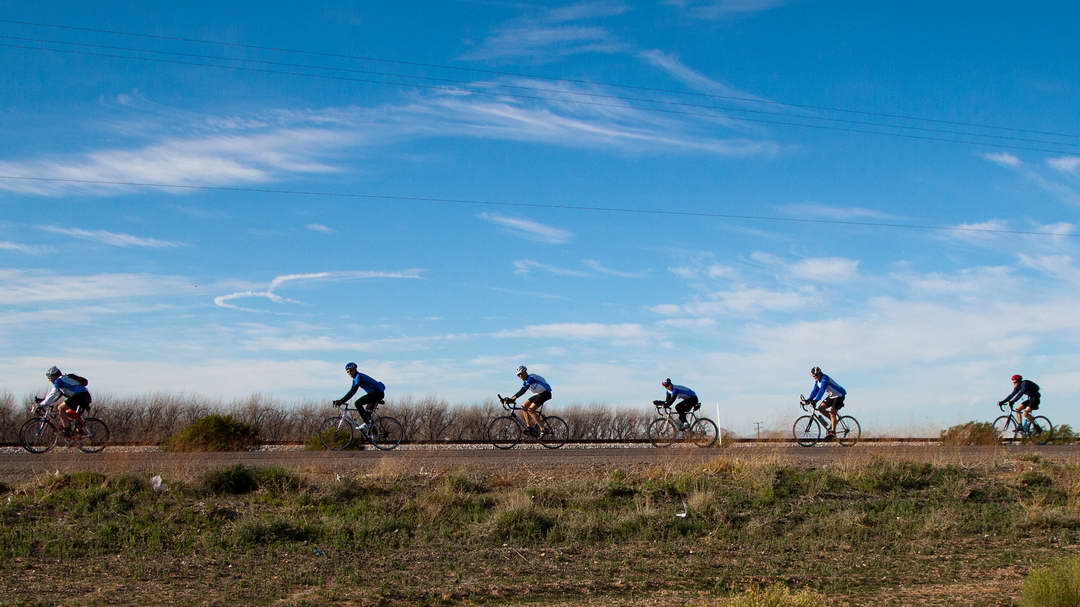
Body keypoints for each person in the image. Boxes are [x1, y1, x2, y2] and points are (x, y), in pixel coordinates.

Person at [38, 366, 91, 436]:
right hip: (82, 396)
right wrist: (44, 401)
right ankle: (78, 430)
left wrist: (42, 404)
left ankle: (67, 430)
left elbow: (53, 394)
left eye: (50, 378)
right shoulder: (63, 380)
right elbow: (55, 397)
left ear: (54, 375)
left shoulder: (59, 380)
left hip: (80, 396)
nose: (50, 380)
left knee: (61, 408)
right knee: (66, 411)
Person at [334, 362, 386, 430]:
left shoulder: (359, 377)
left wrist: (341, 401)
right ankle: (373, 434)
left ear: (355, 369)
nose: (349, 373)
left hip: (377, 394)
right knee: (367, 415)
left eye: (351, 371)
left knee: (357, 403)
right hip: (375, 394)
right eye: (348, 372)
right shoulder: (355, 379)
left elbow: (352, 392)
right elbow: (351, 391)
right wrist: (341, 401)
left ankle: (367, 424)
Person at [505, 366, 551, 436]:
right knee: (524, 406)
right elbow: (521, 390)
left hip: (546, 393)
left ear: (525, 372)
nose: (520, 376)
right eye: (518, 375)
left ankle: (543, 429)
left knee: (530, 410)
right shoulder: (525, 382)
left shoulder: (531, 377)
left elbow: (524, 390)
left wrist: (514, 398)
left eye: (521, 374)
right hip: (539, 394)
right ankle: (529, 427)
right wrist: (511, 398)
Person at [807, 366, 846, 440]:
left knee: (832, 412)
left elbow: (821, 390)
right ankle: (833, 421)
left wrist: (816, 400)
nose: (815, 377)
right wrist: (808, 400)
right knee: (820, 408)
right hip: (832, 396)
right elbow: (814, 391)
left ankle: (833, 432)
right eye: (813, 376)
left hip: (839, 395)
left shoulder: (825, 379)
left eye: (816, 375)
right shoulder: (817, 381)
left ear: (820, 374)